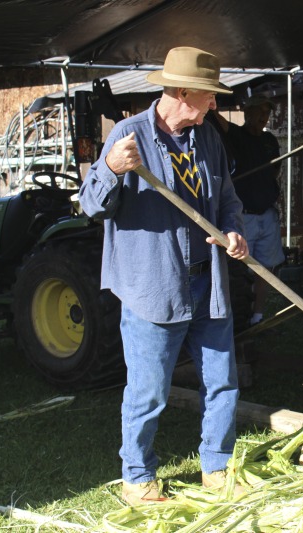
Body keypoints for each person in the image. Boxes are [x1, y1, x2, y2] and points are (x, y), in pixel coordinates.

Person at [78, 46, 248, 506]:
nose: (215, 104)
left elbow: (227, 198)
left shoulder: (208, 138)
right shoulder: (128, 137)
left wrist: (234, 230)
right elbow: (90, 205)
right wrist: (111, 169)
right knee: (149, 389)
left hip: (206, 282)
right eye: (209, 96)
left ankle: (216, 465)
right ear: (181, 91)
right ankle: (137, 475)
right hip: (153, 286)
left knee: (222, 380)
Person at [207, 96, 285, 327]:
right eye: (258, 112)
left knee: (266, 268)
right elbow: (217, 120)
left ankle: (258, 317)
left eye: (266, 113)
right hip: (244, 217)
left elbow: (275, 169)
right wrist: (210, 104)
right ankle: (235, 317)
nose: (263, 117)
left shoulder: (270, 140)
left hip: (267, 214)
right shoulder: (236, 135)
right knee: (238, 268)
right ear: (247, 112)